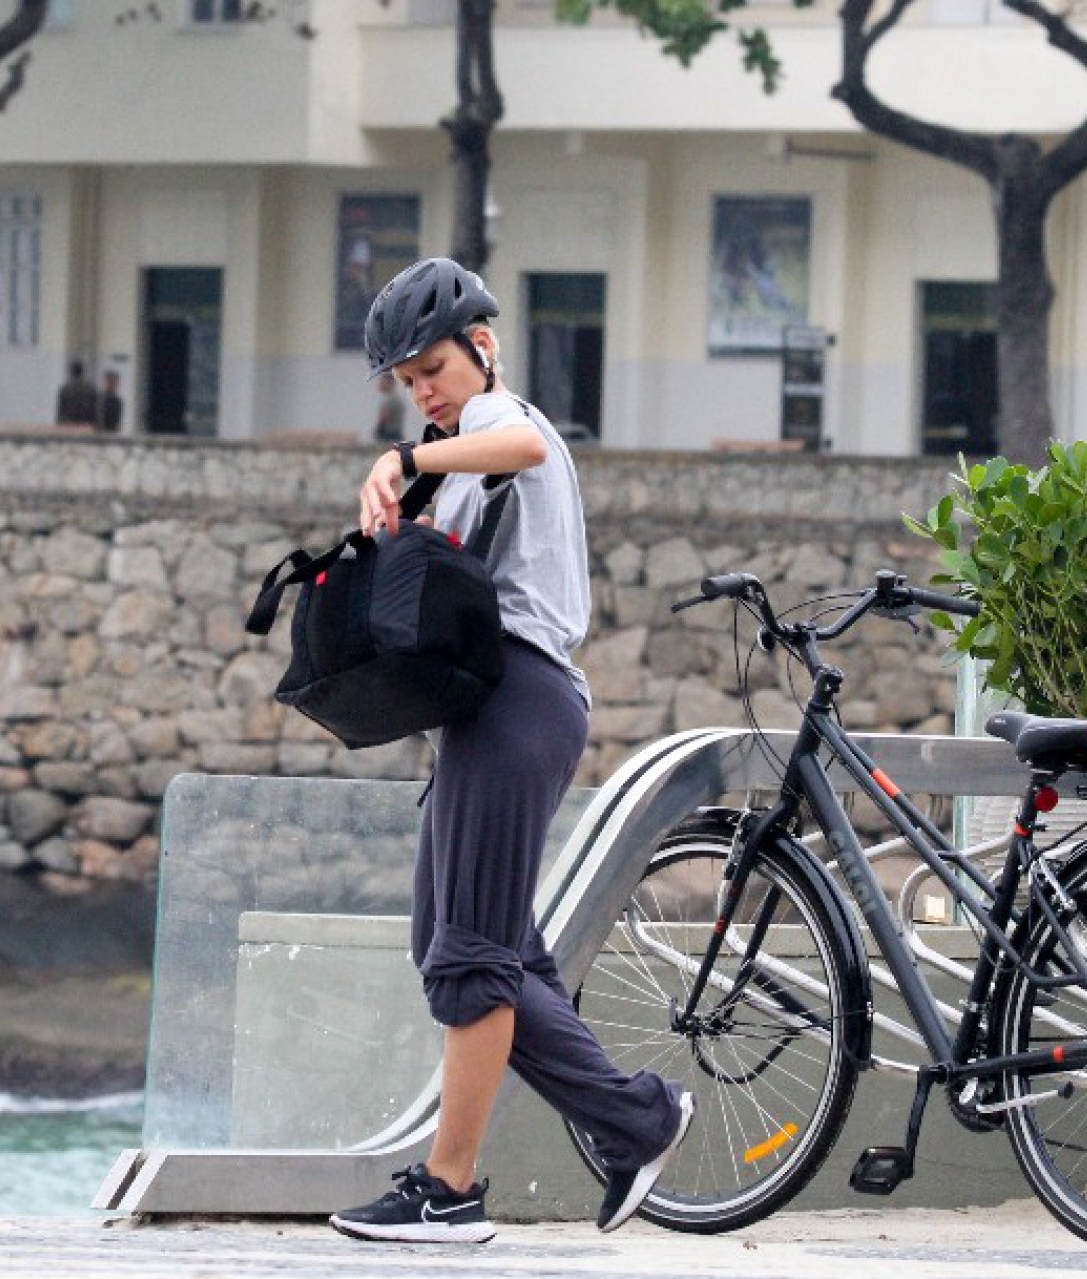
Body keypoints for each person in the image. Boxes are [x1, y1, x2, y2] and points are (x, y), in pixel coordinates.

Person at [330, 259, 692, 1246]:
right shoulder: (460, 454)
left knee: (473, 953)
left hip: (522, 698)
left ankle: (450, 1188)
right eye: (409, 382)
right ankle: (633, 1119)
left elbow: (526, 442)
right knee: (453, 942)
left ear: (482, 348)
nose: (425, 391)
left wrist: (406, 460)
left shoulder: (500, 425)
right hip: (482, 709)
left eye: (434, 368)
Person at [54, 360, 98, 426]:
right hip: (87, 426)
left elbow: (61, 412)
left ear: (71, 372)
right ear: (82, 372)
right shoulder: (91, 389)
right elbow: (96, 411)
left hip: (68, 426)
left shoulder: (65, 390)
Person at [370, 371, 406, 444]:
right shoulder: (397, 399)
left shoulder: (389, 400)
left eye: (382, 382)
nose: (380, 384)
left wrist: (376, 430)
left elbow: (383, 417)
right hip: (396, 434)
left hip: (388, 436)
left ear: (390, 383)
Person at [98, 369, 124, 434]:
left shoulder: (118, 401)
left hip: (113, 433)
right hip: (101, 433)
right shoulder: (100, 399)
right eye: (110, 381)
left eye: (115, 382)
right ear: (106, 382)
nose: (113, 384)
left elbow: (117, 421)